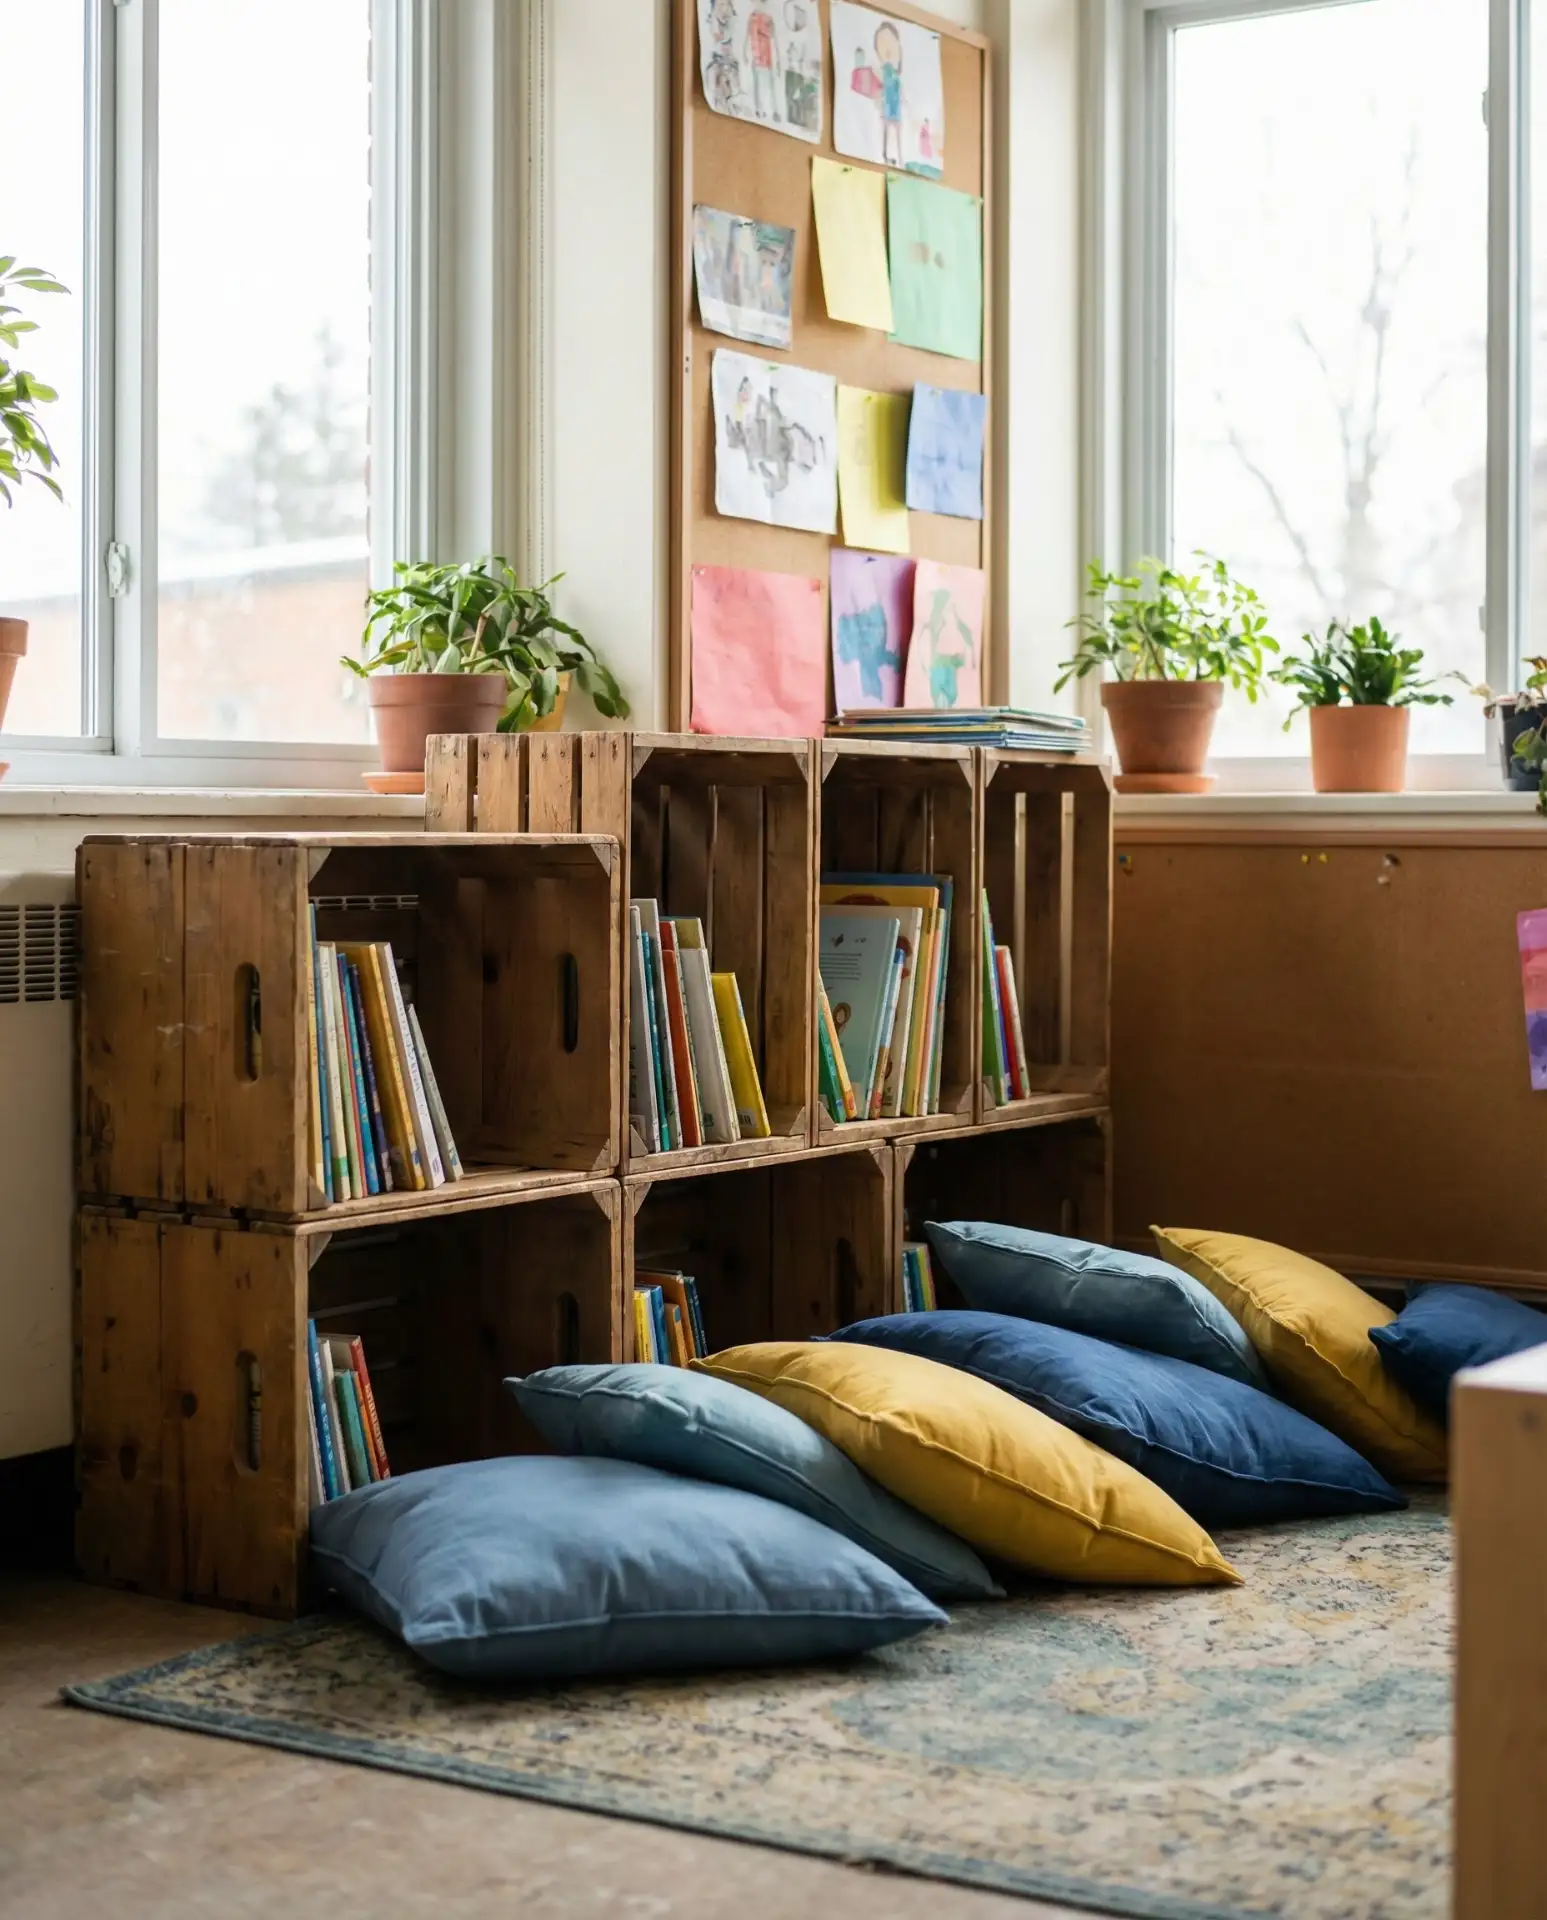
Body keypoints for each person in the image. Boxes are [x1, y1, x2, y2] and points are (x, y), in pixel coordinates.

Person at [874, 20, 904, 167]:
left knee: (897, 132)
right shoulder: (885, 70)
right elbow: (882, 85)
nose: (886, 51)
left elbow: (899, 91)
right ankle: (886, 154)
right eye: (882, 47)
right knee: (887, 130)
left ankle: (899, 157)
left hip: (895, 107)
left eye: (890, 45)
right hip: (887, 106)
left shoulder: (896, 74)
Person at [744, 5, 780, 120]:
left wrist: (778, 59)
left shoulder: (769, 19)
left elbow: (775, 39)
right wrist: (744, 53)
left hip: (768, 56)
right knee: (758, 84)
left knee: (771, 84)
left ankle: (774, 110)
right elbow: (747, 36)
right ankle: (760, 110)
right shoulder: (752, 18)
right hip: (757, 56)